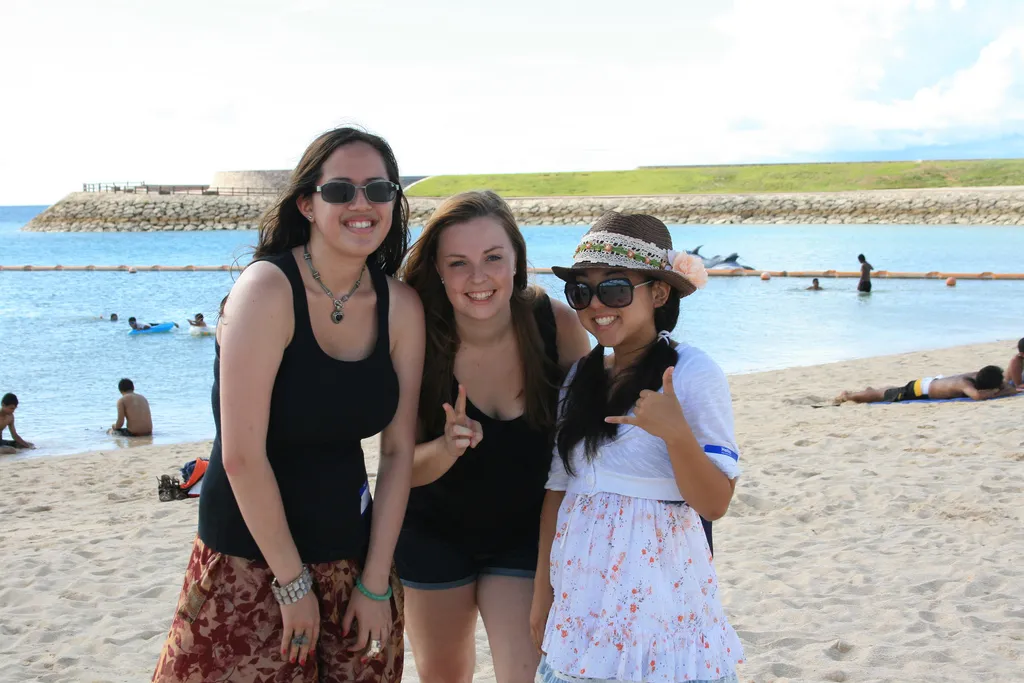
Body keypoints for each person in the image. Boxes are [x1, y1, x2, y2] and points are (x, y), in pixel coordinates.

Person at [152, 127, 424, 682]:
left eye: (378, 189)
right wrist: (292, 584)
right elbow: (242, 456)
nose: (361, 204)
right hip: (247, 561)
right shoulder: (267, 290)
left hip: (354, 562)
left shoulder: (402, 307)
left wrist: (376, 580)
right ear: (307, 202)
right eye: (340, 191)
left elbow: (398, 454)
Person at [532, 212, 743, 683]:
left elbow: (714, 502)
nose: (596, 305)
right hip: (581, 601)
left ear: (659, 292)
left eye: (615, 288)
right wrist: (542, 595)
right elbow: (558, 491)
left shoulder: (692, 373)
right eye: (581, 291)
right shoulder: (579, 379)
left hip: (662, 604)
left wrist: (676, 433)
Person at [396, 191, 591, 683]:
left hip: (525, 535)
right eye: (458, 263)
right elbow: (395, 466)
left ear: (517, 262)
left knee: (527, 675)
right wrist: (444, 449)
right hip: (432, 532)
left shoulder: (555, 325)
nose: (478, 278)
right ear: (438, 270)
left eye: (493, 258)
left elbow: (589, 442)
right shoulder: (415, 334)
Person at [834, 365, 1020, 404]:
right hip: (920, 389)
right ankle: (848, 396)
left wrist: (1005, 389)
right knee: (882, 395)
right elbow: (978, 396)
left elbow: (1006, 385)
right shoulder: (965, 384)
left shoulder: (975, 375)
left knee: (887, 392)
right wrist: (1000, 392)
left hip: (931, 383)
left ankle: (869, 392)